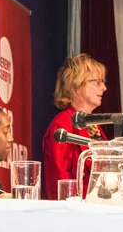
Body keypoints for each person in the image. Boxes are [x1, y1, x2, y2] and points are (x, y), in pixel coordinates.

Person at [42, 53, 108, 200]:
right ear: (76, 84)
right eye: (97, 82)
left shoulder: (94, 126)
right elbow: (58, 182)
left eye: (102, 82)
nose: (104, 87)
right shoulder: (63, 124)